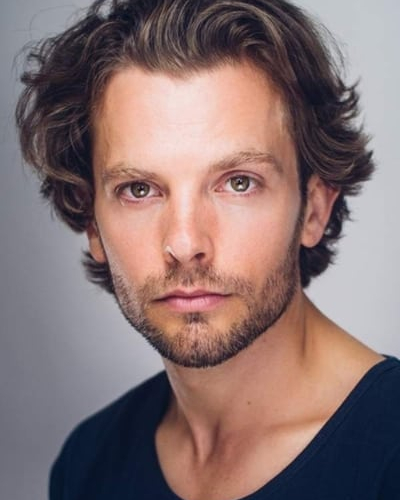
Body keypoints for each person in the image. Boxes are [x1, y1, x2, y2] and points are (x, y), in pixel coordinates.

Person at [16, 0, 400, 498]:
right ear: (92, 225)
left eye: (238, 182)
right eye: (139, 189)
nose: (185, 243)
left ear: (314, 210)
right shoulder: (87, 464)